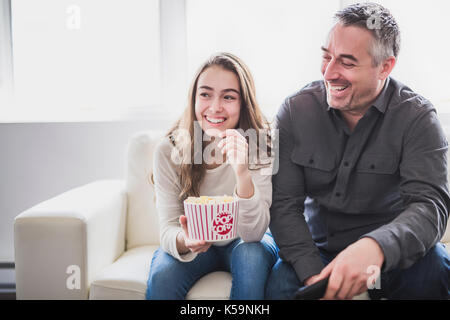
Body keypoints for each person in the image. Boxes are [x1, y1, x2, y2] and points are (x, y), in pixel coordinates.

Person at [266, 3, 450, 300]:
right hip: (320, 251)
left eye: (347, 63)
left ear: (385, 67)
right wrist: (317, 277)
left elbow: (430, 206)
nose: (329, 73)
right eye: (326, 57)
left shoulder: (418, 118)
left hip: (390, 256)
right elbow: (283, 205)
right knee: (280, 286)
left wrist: (376, 247)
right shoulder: (294, 111)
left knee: (435, 270)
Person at [146, 52, 278, 300]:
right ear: (193, 99)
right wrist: (187, 240)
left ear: (242, 103)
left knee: (250, 258)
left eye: (228, 97)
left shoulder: (260, 144)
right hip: (197, 244)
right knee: (162, 275)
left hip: (244, 240)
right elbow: (167, 230)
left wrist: (242, 172)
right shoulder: (168, 150)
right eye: (205, 94)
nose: (215, 107)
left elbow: (254, 233)